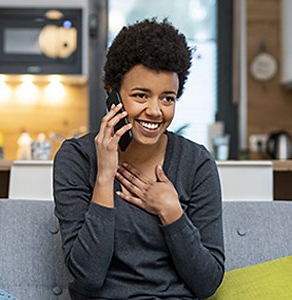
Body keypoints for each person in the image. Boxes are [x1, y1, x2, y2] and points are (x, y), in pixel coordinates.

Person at [53, 18, 225, 299]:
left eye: (167, 98)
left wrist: (171, 212)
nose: (156, 111)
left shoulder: (196, 163)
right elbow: (88, 275)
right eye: (141, 95)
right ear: (113, 94)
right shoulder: (76, 159)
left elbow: (207, 283)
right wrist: (105, 177)